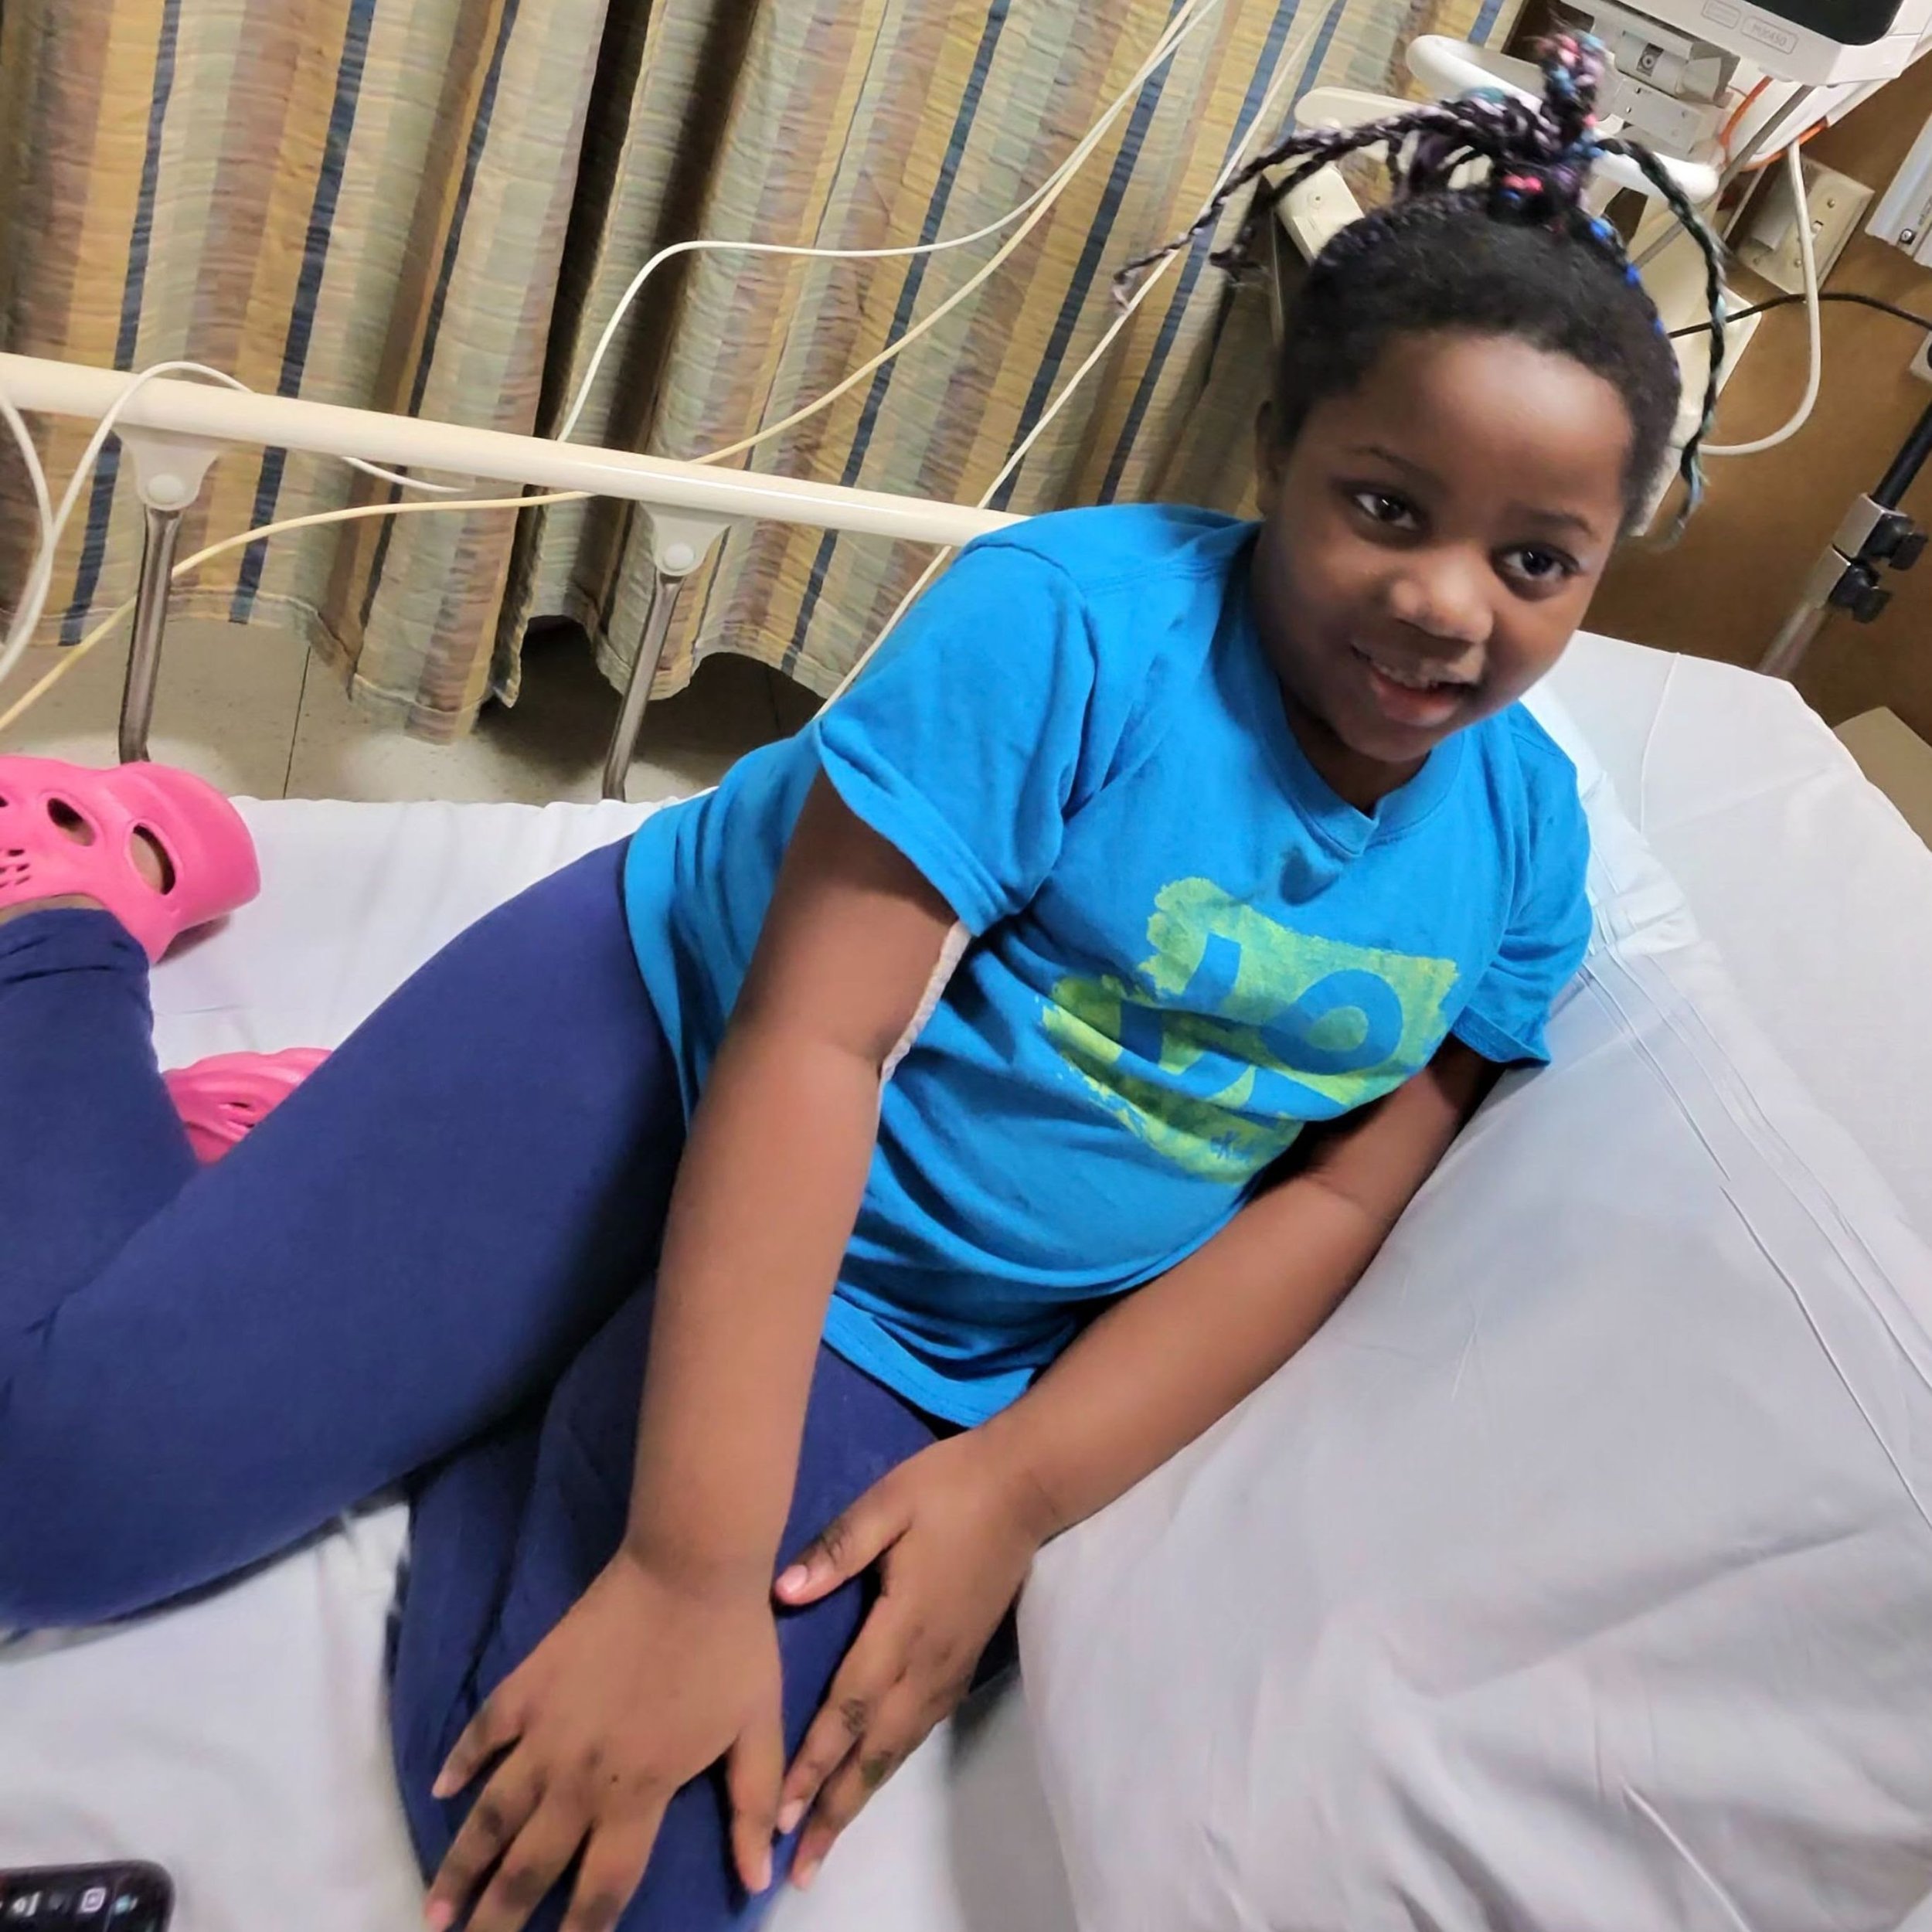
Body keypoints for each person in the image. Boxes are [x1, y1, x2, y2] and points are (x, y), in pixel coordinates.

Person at [0, 38, 1722, 1932]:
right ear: (1271, 459)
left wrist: (1016, 1490)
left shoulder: (1521, 857)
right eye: (1384, 507)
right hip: (662, 1045)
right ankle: (57, 907)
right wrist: (681, 1563)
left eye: (1536, 558)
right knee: (54, 1497)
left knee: (621, 1884)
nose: (1448, 602)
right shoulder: (1069, 629)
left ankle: (519, 1336)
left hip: (893, 1313)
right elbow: (817, 1038)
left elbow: (1331, 1201)